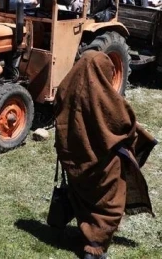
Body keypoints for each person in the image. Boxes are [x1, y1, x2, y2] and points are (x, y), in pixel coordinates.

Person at [55, 52, 156, 259]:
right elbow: (124, 123)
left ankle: (87, 233)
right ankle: (95, 247)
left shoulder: (65, 89)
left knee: (84, 199)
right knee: (110, 202)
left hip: (75, 159)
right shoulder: (106, 98)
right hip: (103, 162)